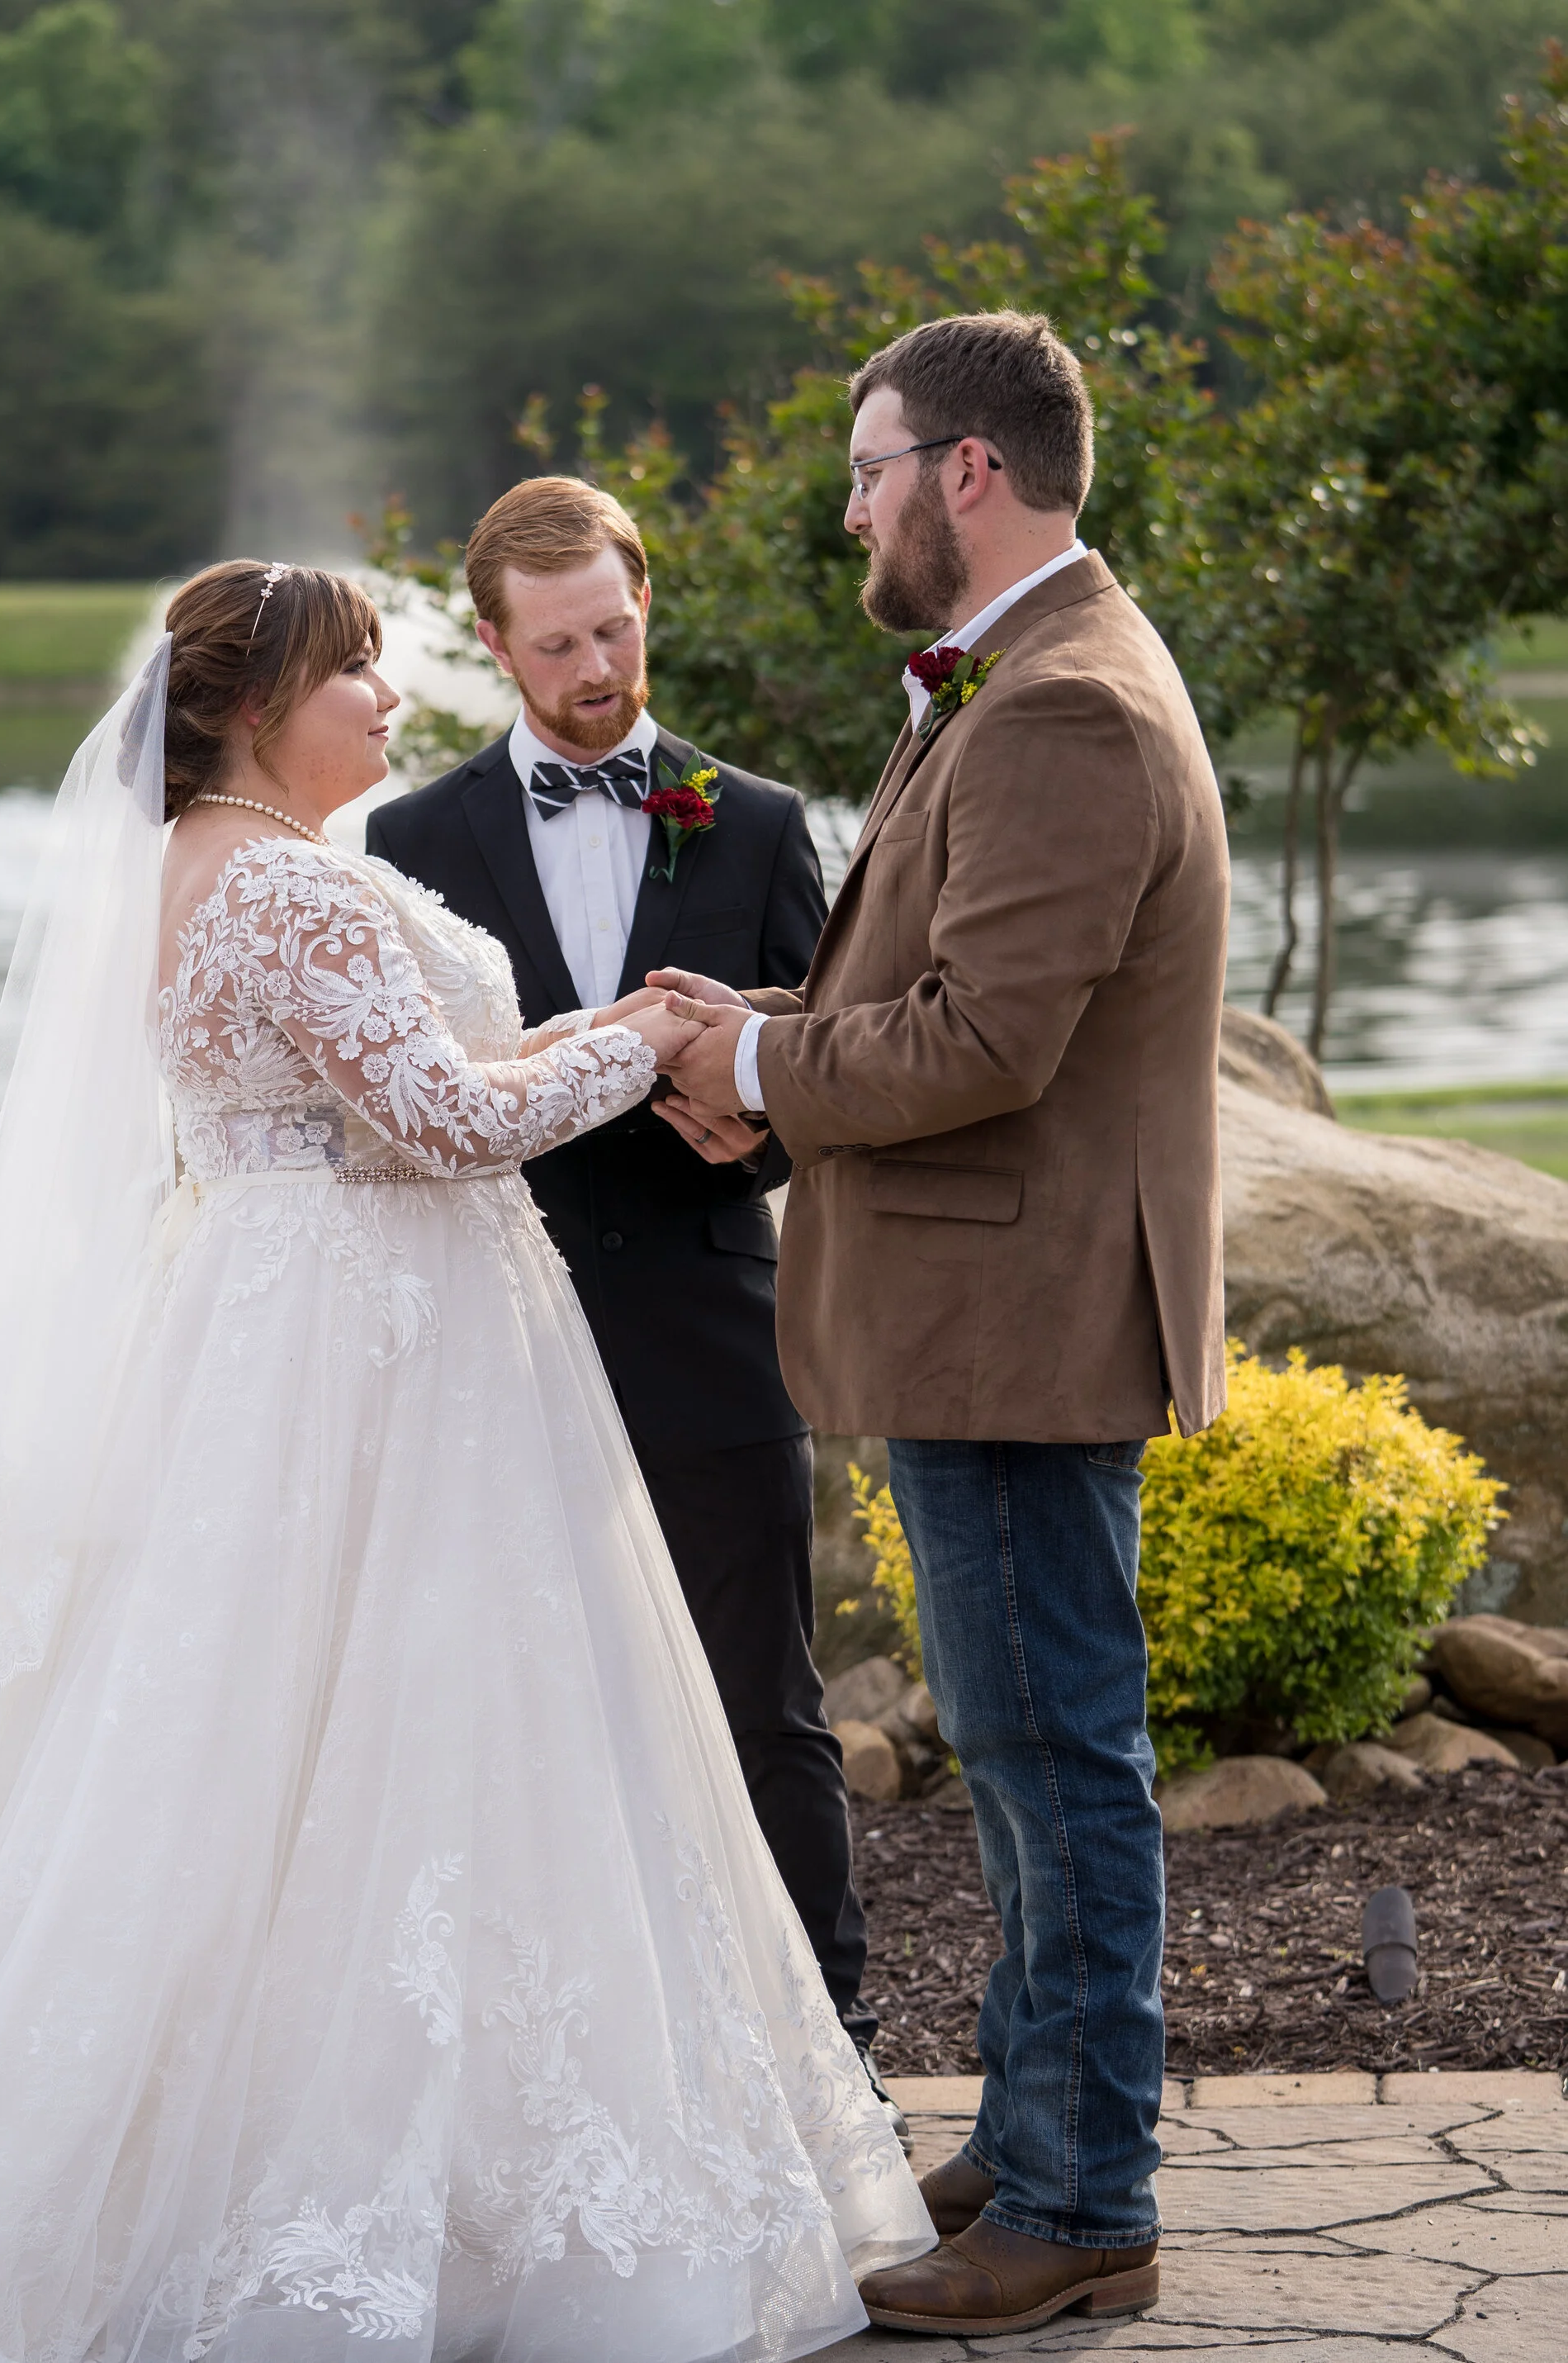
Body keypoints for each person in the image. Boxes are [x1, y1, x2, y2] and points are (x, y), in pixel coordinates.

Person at [0, 559, 931, 2361]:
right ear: (260, 707)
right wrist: (645, 1041)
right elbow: (434, 1121)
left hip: (289, 1323)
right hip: (366, 1349)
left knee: (273, 1738)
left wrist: (581, 1036)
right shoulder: (281, 884)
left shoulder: (224, 870)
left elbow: (417, 1075)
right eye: (359, 675)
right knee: (385, 1732)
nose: (390, 703)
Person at [658, 312, 1231, 2339]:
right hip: (999, 1298)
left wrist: (756, 1050)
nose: (851, 504)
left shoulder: (1061, 706)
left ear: (965, 472)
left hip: (1018, 1310)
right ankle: (1035, 2121)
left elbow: (988, 1037)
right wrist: (777, 1049)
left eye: (866, 465)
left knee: (1050, 1748)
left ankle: (1081, 2193)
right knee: (1016, 1746)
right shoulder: (1019, 676)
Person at [366, 481, 893, 2116]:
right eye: (558, 642)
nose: (596, 665)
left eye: (616, 627)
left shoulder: (752, 819)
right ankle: (545, 2090)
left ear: (643, 602)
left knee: (762, 1703)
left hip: (708, 1321)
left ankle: (828, 2063)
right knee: (501, 1701)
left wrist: (743, 1122)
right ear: (494, 643)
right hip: (485, 1333)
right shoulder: (407, 843)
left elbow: (824, 1079)